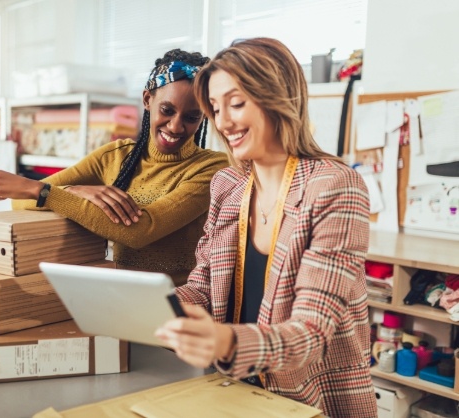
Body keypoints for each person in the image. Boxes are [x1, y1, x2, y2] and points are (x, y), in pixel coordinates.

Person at [155, 38, 377, 417]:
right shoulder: (228, 185)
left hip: (312, 401)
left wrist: (224, 341)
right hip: (235, 391)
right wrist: (159, 308)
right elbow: (204, 287)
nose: (224, 122)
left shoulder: (335, 186)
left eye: (237, 103)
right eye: (216, 108)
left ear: (277, 97)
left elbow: (310, 333)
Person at [0, 49, 229, 285]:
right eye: (167, 110)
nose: (175, 126)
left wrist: (46, 192)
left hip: (178, 307)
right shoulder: (115, 156)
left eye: (191, 117)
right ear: (147, 100)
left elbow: (141, 231)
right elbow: (21, 201)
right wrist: (74, 190)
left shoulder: (212, 169)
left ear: (204, 116)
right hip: (117, 299)